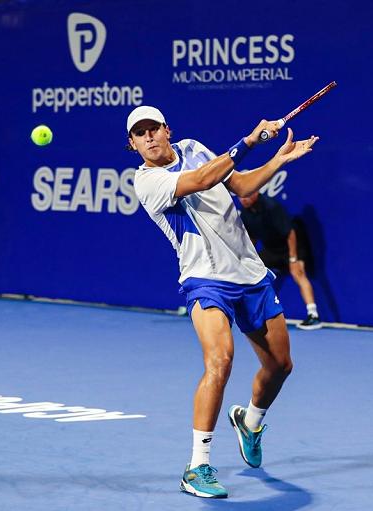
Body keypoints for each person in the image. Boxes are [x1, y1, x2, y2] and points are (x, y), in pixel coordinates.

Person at [128, 105, 319, 498]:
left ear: (167, 130)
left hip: (250, 273)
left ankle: (250, 421)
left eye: (153, 129)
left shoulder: (195, 146)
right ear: (132, 144)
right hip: (205, 279)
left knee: (280, 365)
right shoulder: (146, 181)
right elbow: (200, 180)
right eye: (139, 134)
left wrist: (276, 160)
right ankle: (197, 466)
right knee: (220, 359)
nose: (148, 137)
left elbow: (242, 185)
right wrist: (249, 140)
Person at [239, 191, 322, 330]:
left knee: (298, 273)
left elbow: (290, 233)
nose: (243, 199)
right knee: (251, 272)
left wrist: (293, 258)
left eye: (246, 195)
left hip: (291, 246)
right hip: (271, 249)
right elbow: (252, 237)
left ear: (256, 193)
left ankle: (313, 316)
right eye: (240, 196)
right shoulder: (245, 213)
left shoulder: (272, 207)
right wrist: (250, 258)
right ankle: (253, 313)